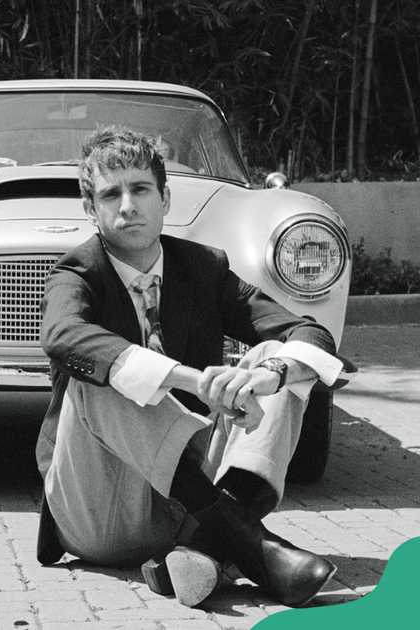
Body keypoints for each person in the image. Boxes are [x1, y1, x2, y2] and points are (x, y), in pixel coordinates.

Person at [34, 127, 343, 608]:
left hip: (190, 499)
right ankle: (252, 548)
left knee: (274, 361)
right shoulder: (77, 273)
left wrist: (267, 376)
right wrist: (190, 377)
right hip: (102, 508)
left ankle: (204, 549)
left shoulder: (203, 267)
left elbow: (309, 333)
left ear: (165, 198)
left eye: (140, 189)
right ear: (90, 210)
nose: (127, 206)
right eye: (110, 194)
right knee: (99, 369)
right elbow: (61, 338)